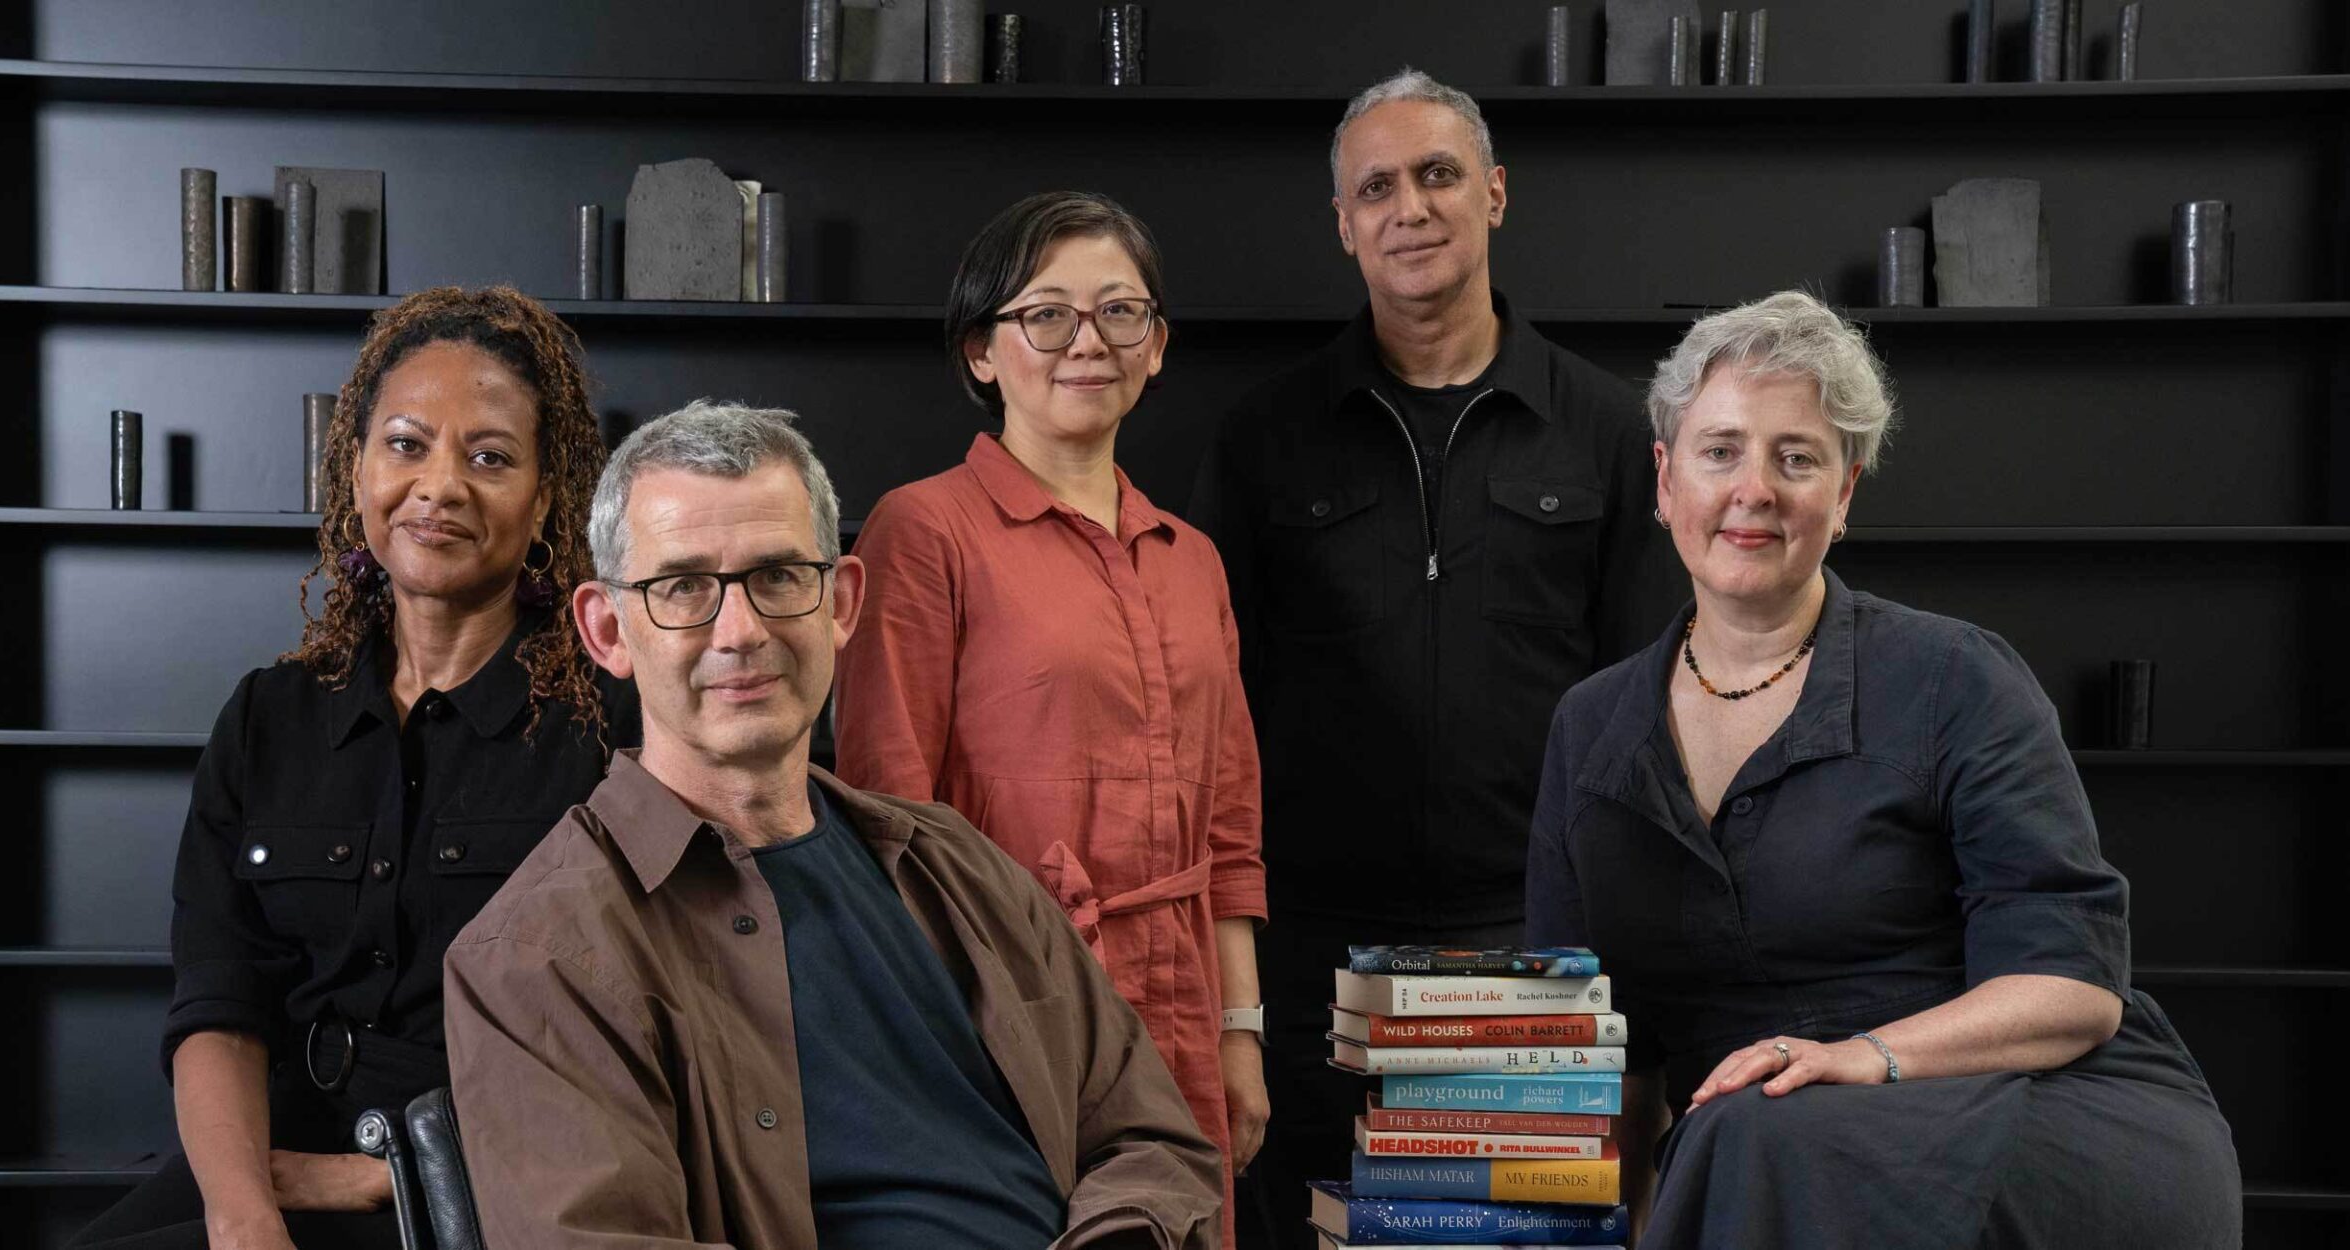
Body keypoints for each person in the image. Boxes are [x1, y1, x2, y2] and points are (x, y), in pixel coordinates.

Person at [1525, 291, 2241, 1247]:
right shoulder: (1591, 727)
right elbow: (1598, 1051)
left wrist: (1862, 1058)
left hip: (2026, 1106)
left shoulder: (1956, 676)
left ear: (1845, 493)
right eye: (1720, 449)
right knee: (1749, 1135)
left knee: (1761, 1135)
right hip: (1754, 1145)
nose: (1755, 488)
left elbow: (2073, 986)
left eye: (1797, 457)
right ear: (1663, 481)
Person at [442, 400, 1225, 1247]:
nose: (740, 632)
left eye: (778, 576)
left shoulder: (955, 864)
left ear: (842, 602)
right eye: (683, 588)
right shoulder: (534, 957)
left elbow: (1155, 1139)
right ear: (606, 630)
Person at [1187, 69, 1685, 1243]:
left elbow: (1646, 703)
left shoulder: (1607, 429)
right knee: (1315, 1231)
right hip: (1310, 945)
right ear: (1345, 225)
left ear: (1496, 194)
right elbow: (1208, 698)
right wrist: (1240, 993)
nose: (1409, 206)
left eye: (1438, 173)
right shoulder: (1265, 436)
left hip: (1520, 941)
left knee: (1497, 1240)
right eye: (1377, 187)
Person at [72, 286, 636, 1250]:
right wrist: (245, 1211)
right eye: (406, 444)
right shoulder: (267, 718)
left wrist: (382, 1179)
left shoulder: (607, 729)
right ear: (356, 466)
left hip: (487, 1186)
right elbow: (217, 1003)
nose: (441, 485)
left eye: (490, 456)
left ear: (545, 498)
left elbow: (623, 1040)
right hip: (270, 1154)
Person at [833, 190, 1267, 1240]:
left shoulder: (1192, 557)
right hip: (1008, 1008)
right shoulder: (922, 529)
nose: (1089, 341)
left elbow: (1230, 821)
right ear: (982, 349)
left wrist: (1241, 1031)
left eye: (1121, 313)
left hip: (1183, 1009)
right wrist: (949, 1040)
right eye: (1048, 313)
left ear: (1156, 348)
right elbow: (888, 818)